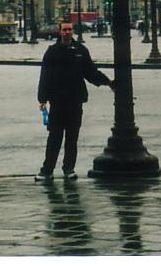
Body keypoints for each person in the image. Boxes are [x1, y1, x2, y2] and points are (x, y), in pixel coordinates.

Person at [36, 23, 114, 181]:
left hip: (75, 100)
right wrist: (42, 99)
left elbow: (90, 72)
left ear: (73, 31)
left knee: (72, 138)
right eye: (64, 30)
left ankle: (68, 169)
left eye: (69, 29)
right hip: (57, 102)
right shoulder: (52, 52)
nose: (67, 32)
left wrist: (108, 82)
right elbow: (45, 76)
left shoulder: (80, 51)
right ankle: (47, 170)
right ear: (60, 32)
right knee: (55, 138)